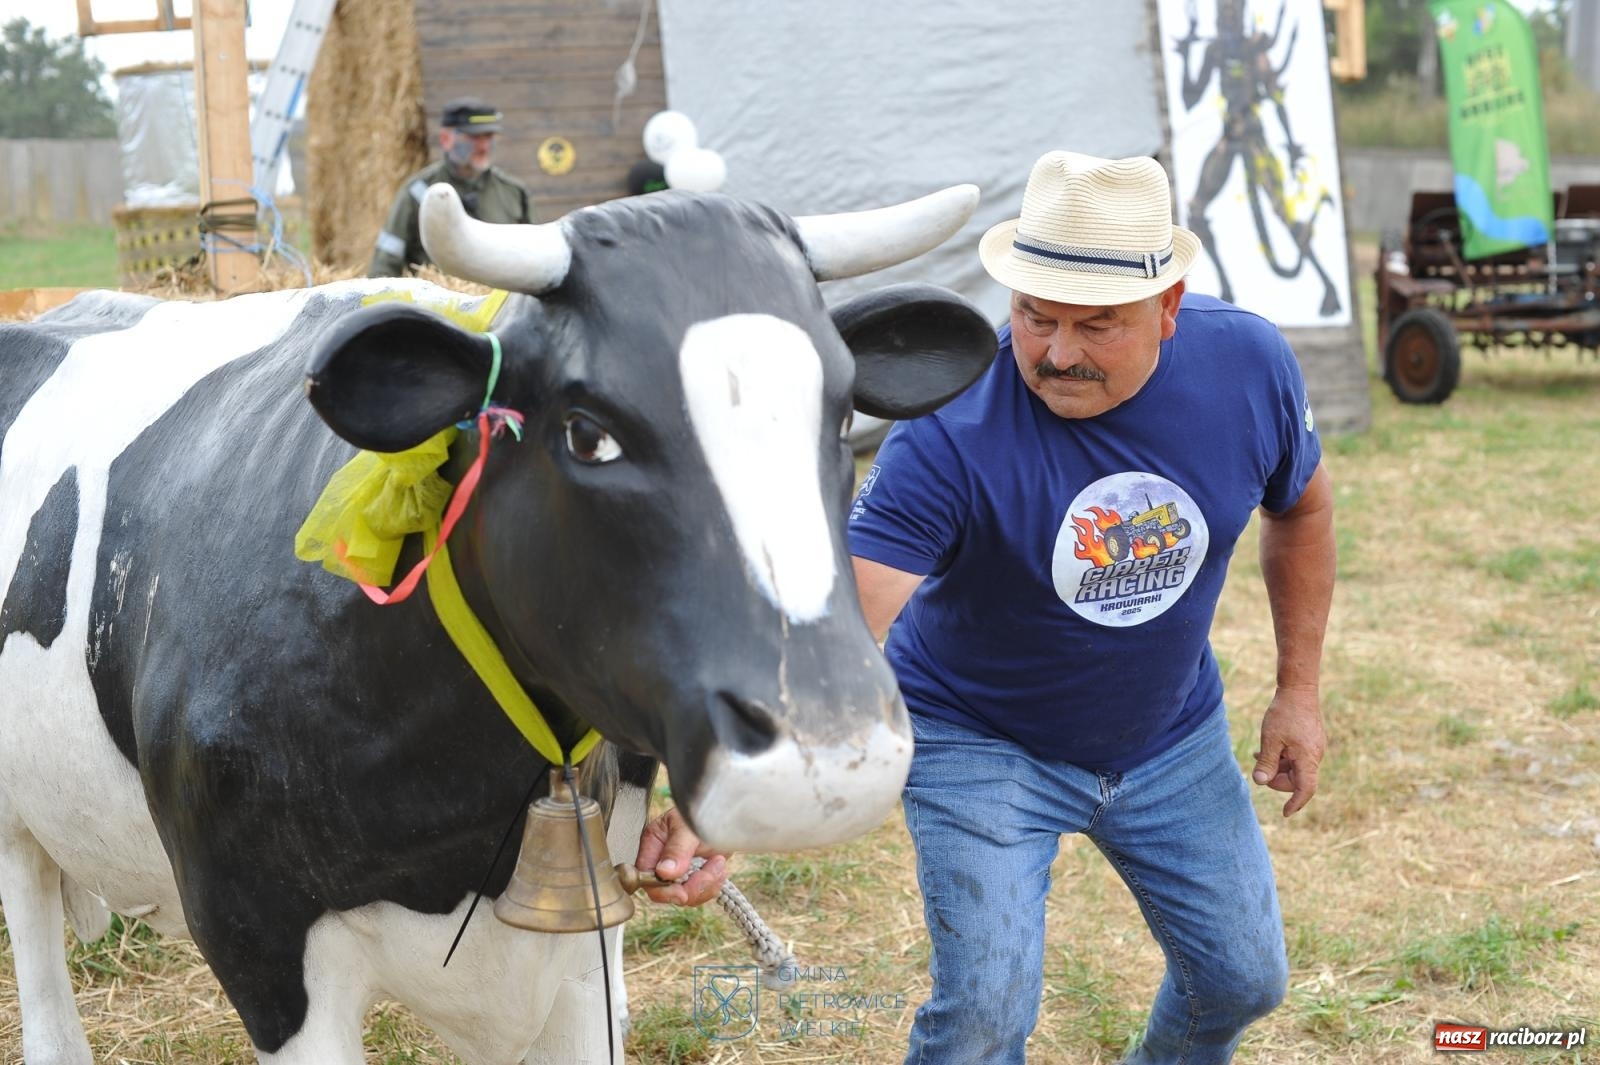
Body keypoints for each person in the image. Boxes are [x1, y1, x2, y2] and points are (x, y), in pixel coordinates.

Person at [634, 149, 1334, 1065]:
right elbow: (841, 621)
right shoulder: (952, 423)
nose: (1056, 353)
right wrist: (717, 797)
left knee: (1245, 977)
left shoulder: (1248, 364)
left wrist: (1300, 690)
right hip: (980, 740)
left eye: (1098, 326)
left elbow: (1304, 507)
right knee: (984, 1019)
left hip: (1170, 734)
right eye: (1035, 315)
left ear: (1169, 306)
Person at [368, 97, 534, 277]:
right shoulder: (418, 192)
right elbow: (386, 263)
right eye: (474, 137)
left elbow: (534, 255)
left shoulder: (513, 192)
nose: (484, 146)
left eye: (489, 137)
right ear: (446, 139)